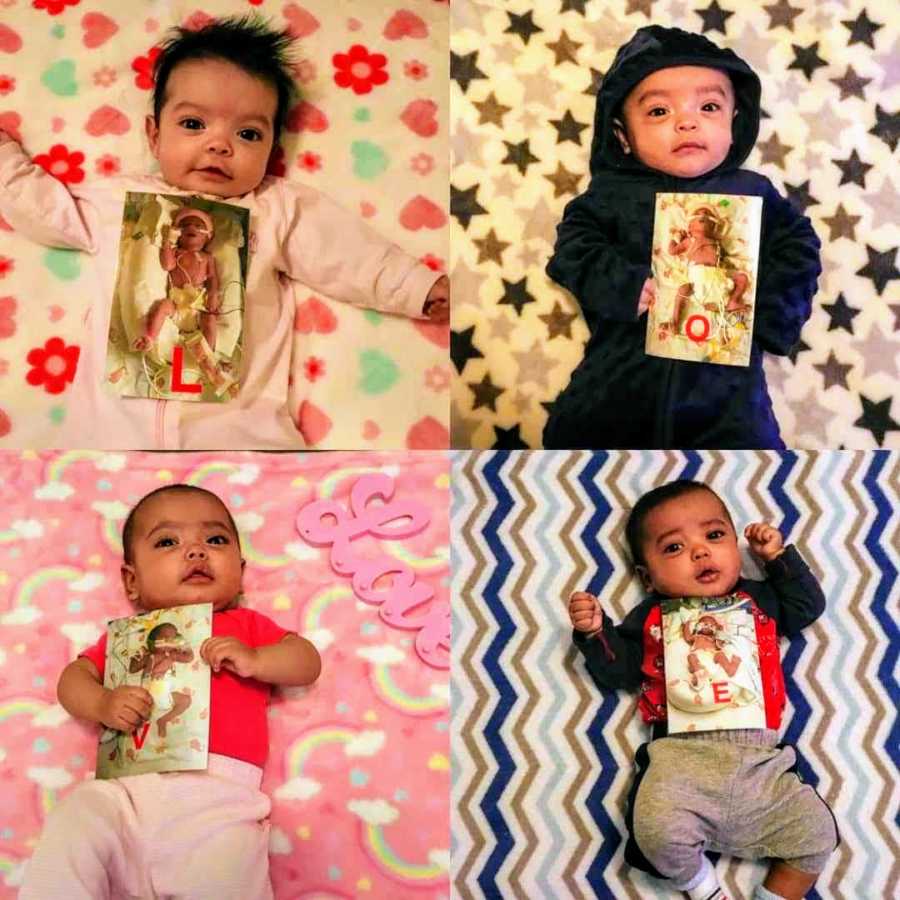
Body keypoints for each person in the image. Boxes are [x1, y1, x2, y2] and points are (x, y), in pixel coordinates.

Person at [0, 15, 449, 448]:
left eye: (249, 134)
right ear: (154, 136)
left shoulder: (275, 209)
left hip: (241, 437)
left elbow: (348, 254)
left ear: (273, 147)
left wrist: (415, 287)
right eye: (193, 124)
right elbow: (42, 207)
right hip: (111, 437)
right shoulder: (117, 202)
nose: (219, 144)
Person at [19, 484, 322, 900]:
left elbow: (306, 660)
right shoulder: (126, 639)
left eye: (215, 540)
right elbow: (72, 680)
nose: (196, 551)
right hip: (125, 796)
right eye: (167, 541)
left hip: (218, 804)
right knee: (80, 813)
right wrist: (102, 702)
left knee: (230, 867)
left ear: (241, 568)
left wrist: (256, 660)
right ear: (132, 581)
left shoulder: (246, 626)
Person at [544, 26, 821, 449]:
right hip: (618, 383)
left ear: (735, 121)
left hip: (728, 394)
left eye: (708, 106)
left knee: (751, 447)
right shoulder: (609, 197)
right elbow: (573, 249)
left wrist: (772, 311)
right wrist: (619, 282)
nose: (687, 121)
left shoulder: (753, 191)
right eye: (659, 112)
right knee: (580, 435)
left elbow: (798, 246)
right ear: (622, 135)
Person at [567, 480, 837, 900]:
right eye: (673, 548)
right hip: (681, 764)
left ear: (734, 542)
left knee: (817, 834)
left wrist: (777, 559)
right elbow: (617, 672)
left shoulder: (758, 600)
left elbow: (806, 606)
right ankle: (704, 888)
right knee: (654, 831)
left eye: (714, 536)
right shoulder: (653, 616)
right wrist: (595, 632)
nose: (699, 551)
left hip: (760, 765)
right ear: (647, 576)